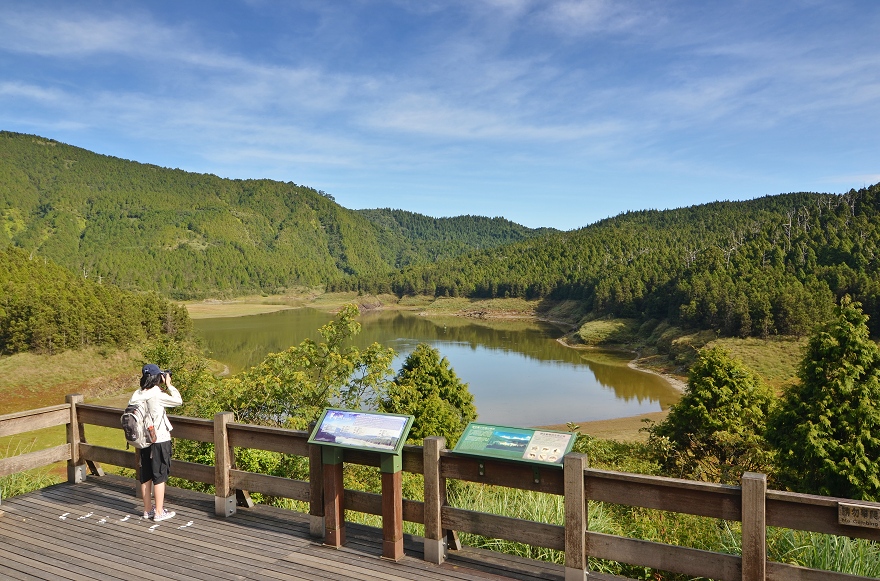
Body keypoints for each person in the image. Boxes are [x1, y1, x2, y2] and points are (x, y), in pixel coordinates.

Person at [129, 363, 182, 522]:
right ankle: (159, 512)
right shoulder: (157, 395)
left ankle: (147, 510)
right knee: (160, 475)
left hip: (143, 440)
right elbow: (178, 401)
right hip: (159, 439)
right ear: (156, 377)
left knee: (146, 475)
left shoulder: (137, 394)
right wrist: (169, 385)